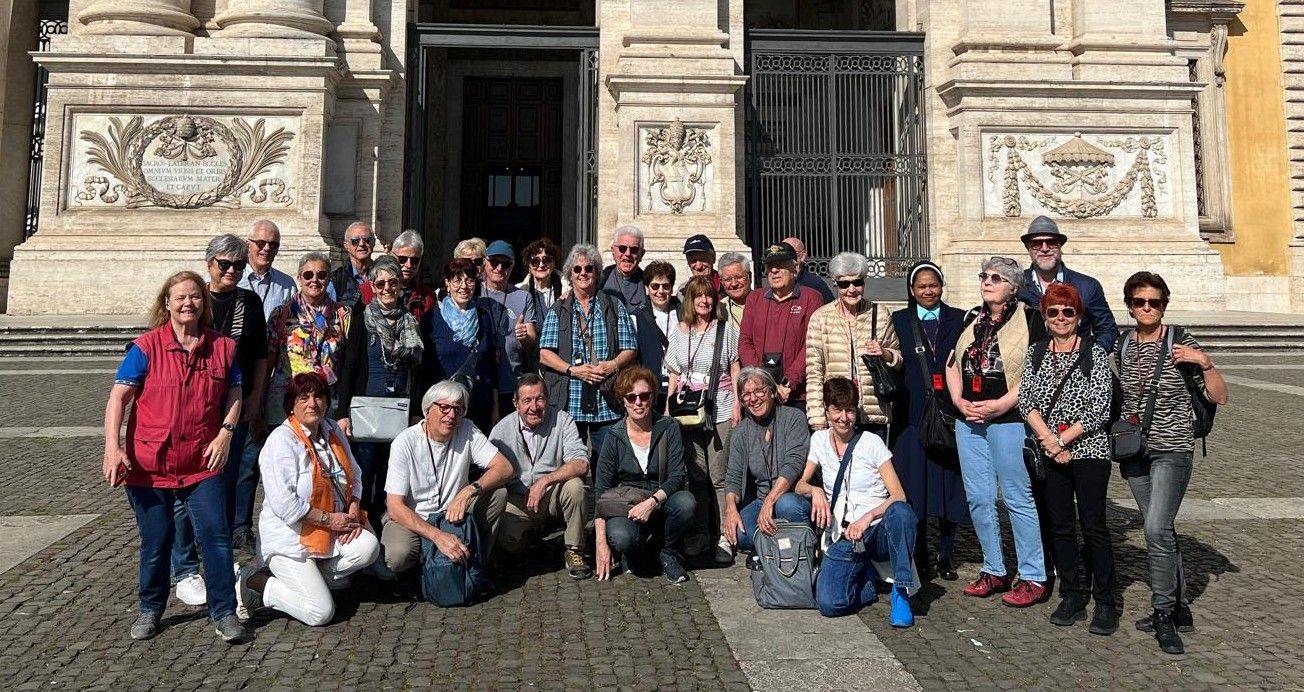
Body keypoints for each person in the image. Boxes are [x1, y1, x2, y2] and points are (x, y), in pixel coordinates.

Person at [103, 271, 248, 643]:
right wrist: (113, 447)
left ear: (204, 303)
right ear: (166, 304)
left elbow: (235, 392)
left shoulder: (223, 347)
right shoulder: (145, 347)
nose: (188, 303)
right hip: (150, 466)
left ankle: (225, 612)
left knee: (215, 536)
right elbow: (118, 398)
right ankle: (150, 609)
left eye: (195, 297)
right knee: (157, 540)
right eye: (180, 297)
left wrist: (226, 433)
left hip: (203, 462)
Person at [1116, 272, 1228, 655]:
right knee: (1160, 530)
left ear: (1164, 304)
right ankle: (1180, 605)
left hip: (1173, 448)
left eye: (1155, 302)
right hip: (1134, 451)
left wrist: (1205, 362)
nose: (1147, 308)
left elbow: (1220, 397)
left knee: (1155, 528)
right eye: (1139, 302)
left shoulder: (1181, 339)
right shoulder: (1122, 345)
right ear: (1129, 306)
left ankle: (1162, 613)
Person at [169, 236, 269, 610]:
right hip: (194, 408)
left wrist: (256, 400)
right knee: (184, 489)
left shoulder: (249, 302)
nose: (231, 271)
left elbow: (259, 355)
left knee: (224, 486)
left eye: (238, 266)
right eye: (224, 264)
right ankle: (184, 569)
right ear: (209, 263)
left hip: (234, 406)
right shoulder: (194, 299)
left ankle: (218, 556)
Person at [945, 256, 1048, 607]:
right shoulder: (972, 318)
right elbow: (951, 363)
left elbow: (1035, 371)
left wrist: (1004, 403)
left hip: (1009, 420)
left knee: (1018, 497)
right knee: (979, 497)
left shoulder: (1031, 319)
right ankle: (994, 568)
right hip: (969, 420)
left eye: (996, 278)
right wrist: (958, 399)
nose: (987, 282)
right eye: (984, 276)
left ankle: (1033, 574)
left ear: (1013, 287)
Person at [236, 372, 379, 627]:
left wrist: (354, 509)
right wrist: (329, 520)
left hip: (328, 531)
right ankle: (256, 584)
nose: (313, 403)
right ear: (291, 405)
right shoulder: (280, 441)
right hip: (291, 539)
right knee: (320, 612)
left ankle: (314, 579)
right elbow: (285, 504)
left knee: (368, 547)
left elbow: (354, 474)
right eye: (304, 398)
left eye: (318, 396)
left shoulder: (332, 429)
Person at [1018, 283, 1118, 635]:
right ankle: (1073, 592)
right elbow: (1025, 400)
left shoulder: (1094, 352)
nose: (1060, 318)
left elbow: (1099, 409)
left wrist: (1061, 440)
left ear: (1079, 316)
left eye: (1068, 312)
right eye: (1053, 312)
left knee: (1094, 524)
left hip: (1089, 450)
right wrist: (1048, 440)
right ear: (1044, 317)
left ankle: (1106, 599)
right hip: (1049, 451)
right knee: (1059, 524)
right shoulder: (1036, 352)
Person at [796, 377, 916, 626]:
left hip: (876, 531)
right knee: (829, 604)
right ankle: (867, 582)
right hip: (844, 534)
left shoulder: (872, 443)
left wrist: (868, 517)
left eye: (849, 410)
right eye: (837, 410)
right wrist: (816, 491)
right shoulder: (819, 441)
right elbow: (800, 484)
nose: (844, 417)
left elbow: (898, 495)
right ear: (827, 411)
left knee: (902, 513)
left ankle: (901, 592)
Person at [380, 381, 512, 581]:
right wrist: (437, 536)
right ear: (427, 410)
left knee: (498, 494)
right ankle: (420, 572)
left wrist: (469, 490)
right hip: (414, 518)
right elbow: (395, 507)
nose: (451, 415)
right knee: (398, 556)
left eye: (458, 409)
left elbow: (505, 468)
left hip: (454, 516)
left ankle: (476, 563)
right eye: (444, 407)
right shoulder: (404, 442)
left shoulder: (467, 429)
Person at [889, 261, 969, 582]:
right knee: (915, 488)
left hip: (948, 412)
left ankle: (946, 553)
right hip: (912, 413)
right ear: (912, 290)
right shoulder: (899, 321)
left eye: (932, 285)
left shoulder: (959, 319)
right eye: (921, 286)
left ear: (941, 286)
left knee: (949, 486)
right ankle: (919, 554)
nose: (927, 291)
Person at [336, 256, 424, 533]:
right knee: (364, 471)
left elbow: (418, 371)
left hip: (399, 408)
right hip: (366, 409)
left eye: (393, 282)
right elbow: (349, 368)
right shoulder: (362, 321)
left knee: (393, 472)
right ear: (372, 287)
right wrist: (342, 414)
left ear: (400, 286)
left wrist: (415, 412)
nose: (387, 288)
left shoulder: (410, 323)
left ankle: (389, 527)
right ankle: (362, 528)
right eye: (381, 283)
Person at [593, 367, 696, 583]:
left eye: (644, 396)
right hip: (627, 502)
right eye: (631, 397)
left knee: (686, 502)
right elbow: (601, 491)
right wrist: (600, 544)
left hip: (661, 496)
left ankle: (668, 553)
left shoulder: (669, 427)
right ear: (623, 401)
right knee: (621, 537)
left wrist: (652, 502)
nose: (638, 402)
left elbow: (677, 476)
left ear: (652, 397)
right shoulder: (614, 436)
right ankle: (637, 551)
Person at [665, 276, 741, 564]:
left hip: (718, 409)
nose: (704, 301)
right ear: (690, 300)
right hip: (687, 414)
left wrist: (737, 404)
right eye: (698, 296)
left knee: (719, 476)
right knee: (695, 476)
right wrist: (668, 410)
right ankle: (699, 534)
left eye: (709, 295)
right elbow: (674, 373)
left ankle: (724, 534)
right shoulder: (680, 332)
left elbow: (735, 368)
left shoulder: (726, 329)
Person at [538, 244, 638, 460]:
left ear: (597, 272)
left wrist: (613, 365)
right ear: (569, 275)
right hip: (569, 404)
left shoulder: (613, 305)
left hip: (607, 402)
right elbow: (544, 353)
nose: (583, 273)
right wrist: (574, 370)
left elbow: (630, 348)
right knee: (571, 464)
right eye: (577, 269)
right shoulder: (559, 308)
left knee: (608, 465)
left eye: (589, 268)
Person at [489, 374, 592, 579]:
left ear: (547, 398)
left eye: (539, 399)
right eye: (527, 400)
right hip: (519, 499)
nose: (534, 406)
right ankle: (530, 539)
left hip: (553, 494)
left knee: (576, 487)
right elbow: (490, 472)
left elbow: (581, 463)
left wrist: (545, 481)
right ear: (515, 403)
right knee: (508, 541)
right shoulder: (501, 431)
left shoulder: (562, 420)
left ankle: (574, 549)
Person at [804, 251, 901, 435]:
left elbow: (898, 358)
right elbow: (814, 371)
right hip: (837, 415)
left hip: (873, 414)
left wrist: (885, 353)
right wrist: (817, 418)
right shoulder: (820, 318)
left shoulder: (879, 314)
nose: (851, 289)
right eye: (844, 284)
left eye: (857, 282)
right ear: (835, 284)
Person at [721, 367, 812, 557]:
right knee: (741, 533)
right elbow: (733, 476)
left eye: (759, 391)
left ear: (771, 390)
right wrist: (730, 510)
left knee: (786, 505)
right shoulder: (740, 433)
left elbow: (793, 464)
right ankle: (777, 552)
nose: (753, 399)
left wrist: (770, 502)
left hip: (792, 494)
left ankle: (800, 551)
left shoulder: (794, 418)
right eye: (746, 395)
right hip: (762, 499)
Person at [418, 258, 507, 432]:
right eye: (457, 280)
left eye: (469, 280)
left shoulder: (484, 317)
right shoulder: (432, 318)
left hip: (479, 404)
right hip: (445, 408)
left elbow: (491, 365)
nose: (464, 286)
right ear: (447, 283)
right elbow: (424, 369)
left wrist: (495, 407)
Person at [266, 253, 352, 429]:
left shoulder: (343, 315)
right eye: (308, 275)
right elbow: (268, 363)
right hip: (287, 403)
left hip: (327, 404)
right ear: (299, 278)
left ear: (328, 279)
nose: (315, 280)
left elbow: (349, 364)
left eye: (321, 275)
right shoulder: (281, 314)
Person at [738, 242, 824, 406]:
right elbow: (745, 342)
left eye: (780, 265)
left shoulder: (811, 298)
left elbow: (812, 345)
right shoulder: (755, 299)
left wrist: (788, 382)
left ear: (795, 268)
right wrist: (763, 382)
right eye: (770, 266)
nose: (774, 271)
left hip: (797, 395)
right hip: (760, 394)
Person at [1016, 216, 1117, 352]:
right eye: (1037, 243)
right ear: (1029, 248)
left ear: (1060, 246)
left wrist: (1089, 356)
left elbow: (1107, 330)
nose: (1044, 248)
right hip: (1030, 369)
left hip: (1076, 368)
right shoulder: (1016, 286)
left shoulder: (1088, 286)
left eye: (1051, 242)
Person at [482, 240, 539, 394]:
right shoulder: (473, 292)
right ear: (485, 263)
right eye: (494, 262)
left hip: (512, 382)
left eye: (505, 264)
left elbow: (530, 342)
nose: (499, 268)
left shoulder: (523, 297)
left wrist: (524, 336)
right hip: (480, 381)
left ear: (512, 266)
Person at [631, 260, 680, 410]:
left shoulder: (682, 313)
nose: (660, 291)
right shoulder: (636, 317)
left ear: (671, 289)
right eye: (655, 286)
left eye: (666, 286)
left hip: (680, 388)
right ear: (647, 289)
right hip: (651, 392)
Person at [361, 230, 438, 320]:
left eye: (414, 261)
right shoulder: (366, 291)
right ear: (391, 256)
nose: (408, 265)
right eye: (402, 259)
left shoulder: (428, 297)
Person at [239, 219, 296, 321]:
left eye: (273, 244)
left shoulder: (287, 285)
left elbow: (292, 323)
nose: (267, 248)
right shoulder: (234, 278)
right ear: (248, 245)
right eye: (260, 243)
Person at [328, 221, 375, 307]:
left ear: (373, 243)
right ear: (346, 246)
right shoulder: (337, 279)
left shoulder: (383, 274)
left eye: (367, 240)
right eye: (355, 241)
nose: (361, 244)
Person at [600, 224, 647, 310]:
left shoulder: (649, 283)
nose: (628, 254)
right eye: (622, 248)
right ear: (613, 251)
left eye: (634, 250)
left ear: (642, 254)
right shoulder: (600, 280)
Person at [781, 235, 835, 304]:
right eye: (781, 254)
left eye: (790, 254)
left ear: (802, 256)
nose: (784, 259)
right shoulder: (776, 282)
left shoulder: (815, 284)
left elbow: (831, 309)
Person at [519, 237, 563, 312]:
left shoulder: (567, 290)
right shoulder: (519, 292)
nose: (541, 265)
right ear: (529, 266)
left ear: (554, 263)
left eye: (547, 260)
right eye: (535, 261)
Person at [717, 251, 752, 332]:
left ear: (749, 277)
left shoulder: (764, 303)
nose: (734, 284)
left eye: (739, 277)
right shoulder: (719, 309)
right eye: (727, 279)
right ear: (721, 282)